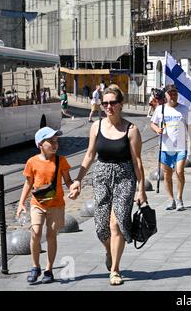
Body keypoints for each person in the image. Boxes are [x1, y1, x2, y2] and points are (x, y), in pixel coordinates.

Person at [68, 85, 147, 285]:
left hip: (124, 178)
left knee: (116, 223)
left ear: (121, 104)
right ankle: (109, 251)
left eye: (113, 103)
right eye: (105, 103)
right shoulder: (97, 126)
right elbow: (89, 155)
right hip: (101, 177)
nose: (109, 107)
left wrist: (141, 190)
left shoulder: (131, 130)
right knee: (101, 227)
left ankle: (115, 270)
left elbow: (137, 161)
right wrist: (78, 180)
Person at [16, 127, 73, 284]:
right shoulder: (32, 162)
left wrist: (73, 188)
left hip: (56, 204)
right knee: (35, 233)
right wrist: (21, 203)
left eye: (56, 141)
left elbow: (68, 180)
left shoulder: (61, 161)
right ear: (40, 144)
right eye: (51, 141)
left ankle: (49, 269)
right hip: (37, 204)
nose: (55, 144)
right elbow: (28, 184)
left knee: (51, 236)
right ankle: (35, 266)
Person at [150, 84, 189, 211]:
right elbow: (153, 124)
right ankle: (171, 199)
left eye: (175, 93)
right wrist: (157, 129)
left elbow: (190, 126)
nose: (173, 96)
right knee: (167, 175)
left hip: (180, 146)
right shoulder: (160, 109)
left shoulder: (184, 109)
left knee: (179, 171)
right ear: (166, 95)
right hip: (165, 147)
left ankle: (179, 199)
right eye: (170, 93)